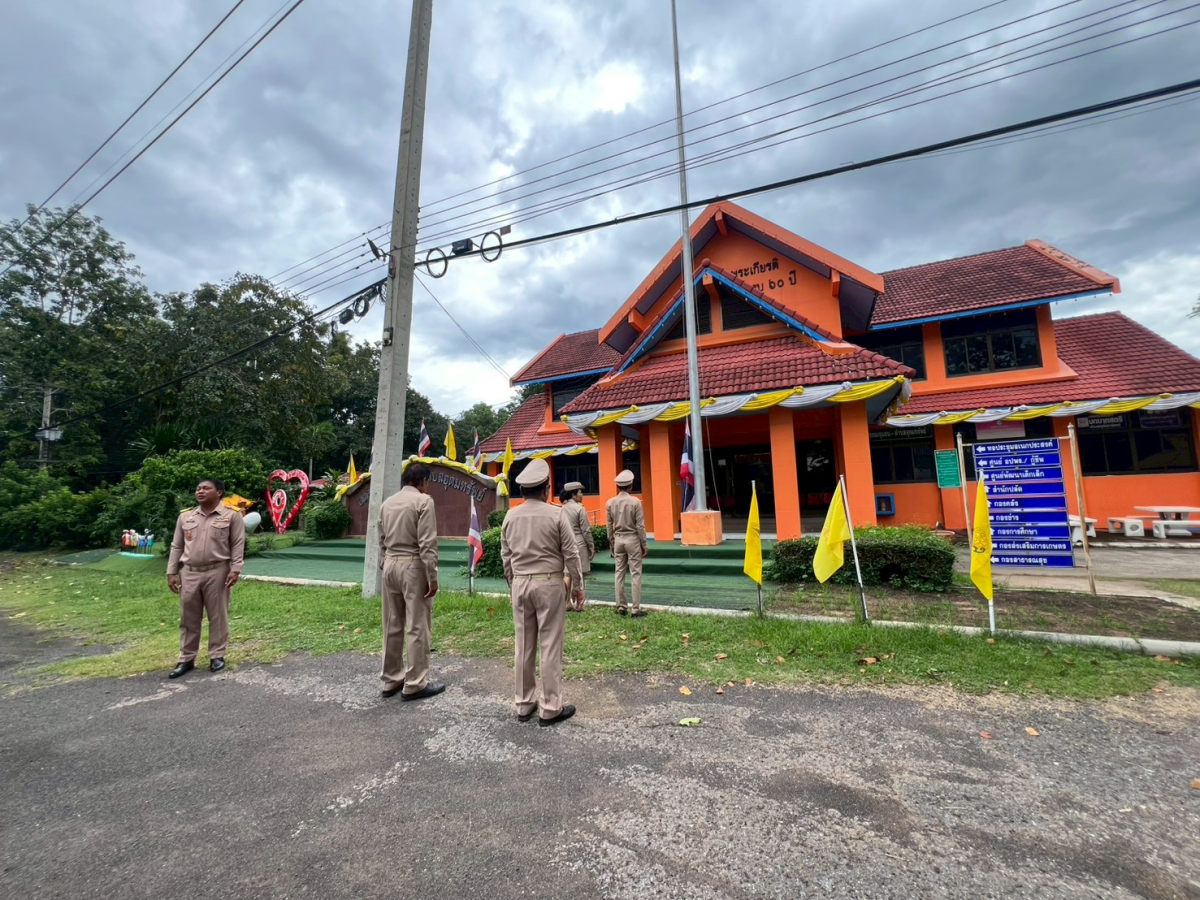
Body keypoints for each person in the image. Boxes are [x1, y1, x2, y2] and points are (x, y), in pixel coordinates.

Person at [501, 459, 584, 726]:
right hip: (549, 583)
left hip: (520, 582)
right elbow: (571, 553)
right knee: (550, 646)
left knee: (523, 645)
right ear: (546, 489)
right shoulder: (556, 514)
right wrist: (578, 588)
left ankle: (524, 704)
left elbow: (506, 556)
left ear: (524, 491)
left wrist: (513, 582)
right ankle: (550, 707)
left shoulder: (510, 516)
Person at [376, 462, 445, 701]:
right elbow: (427, 543)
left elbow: (381, 539)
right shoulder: (424, 502)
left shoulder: (387, 503)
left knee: (392, 624)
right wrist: (432, 577)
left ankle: (390, 679)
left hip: (390, 564)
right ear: (423, 481)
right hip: (413, 564)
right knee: (417, 625)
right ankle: (415, 683)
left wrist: (385, 562)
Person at [166, 478, 246, 678]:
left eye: (206, 488)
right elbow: (177, 546)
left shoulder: (231, 516)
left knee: (217, 616)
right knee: (188, 617)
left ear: (219, 493)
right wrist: (172, 572)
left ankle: (217, 656)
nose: (200, 491)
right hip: (190, 572)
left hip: (217, 571)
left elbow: (237, 544)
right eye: (198, 488)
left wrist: (235, 569)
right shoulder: (185, 517)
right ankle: (186, 658)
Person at [605, 469, 648, 617]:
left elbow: (609, 525)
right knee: (635, 573)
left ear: (618, 486)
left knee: (619, 572)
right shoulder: (635, 502)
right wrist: (644, 544)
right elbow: (640, 526)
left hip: (618, 539)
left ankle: (621, 606)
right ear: (630, 486)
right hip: (632, 539)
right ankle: (635, 609)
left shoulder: (610, 502)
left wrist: (611, 542)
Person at [560, 480, 594, 611]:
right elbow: (586, 530)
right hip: (579, 543)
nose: (582, 495)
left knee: (567, 574)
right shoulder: (580, 509)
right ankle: (580, 604)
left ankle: (566, 602)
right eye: (580, 492)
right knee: (580, 574)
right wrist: (591, 546)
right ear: (573, 495)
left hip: (565, 544)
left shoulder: (561, 509)